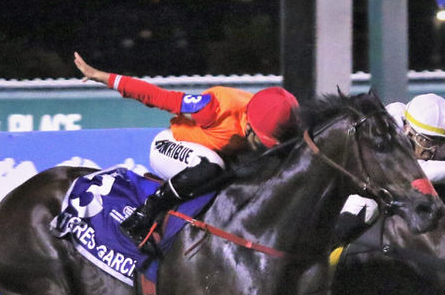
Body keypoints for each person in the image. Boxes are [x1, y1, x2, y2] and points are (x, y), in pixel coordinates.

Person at [73, 51, 300, 249]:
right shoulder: (213, 108)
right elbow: (157, 97)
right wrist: (102, 77)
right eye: (262, 140)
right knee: (213, 167)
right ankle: (143, 215)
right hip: (170, 146)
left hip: (208, 154)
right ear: (250, 125)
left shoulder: (270, 114)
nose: (264, 145)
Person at [333, 93, 445, 244]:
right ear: (407, 128)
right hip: (351, 184)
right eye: (426, 141)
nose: (432, 150)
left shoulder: (424, 136)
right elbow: (421, 171)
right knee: (367, 207)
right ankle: (328, 256)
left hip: (386, 191)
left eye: (440, 142)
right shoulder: (388, 129)